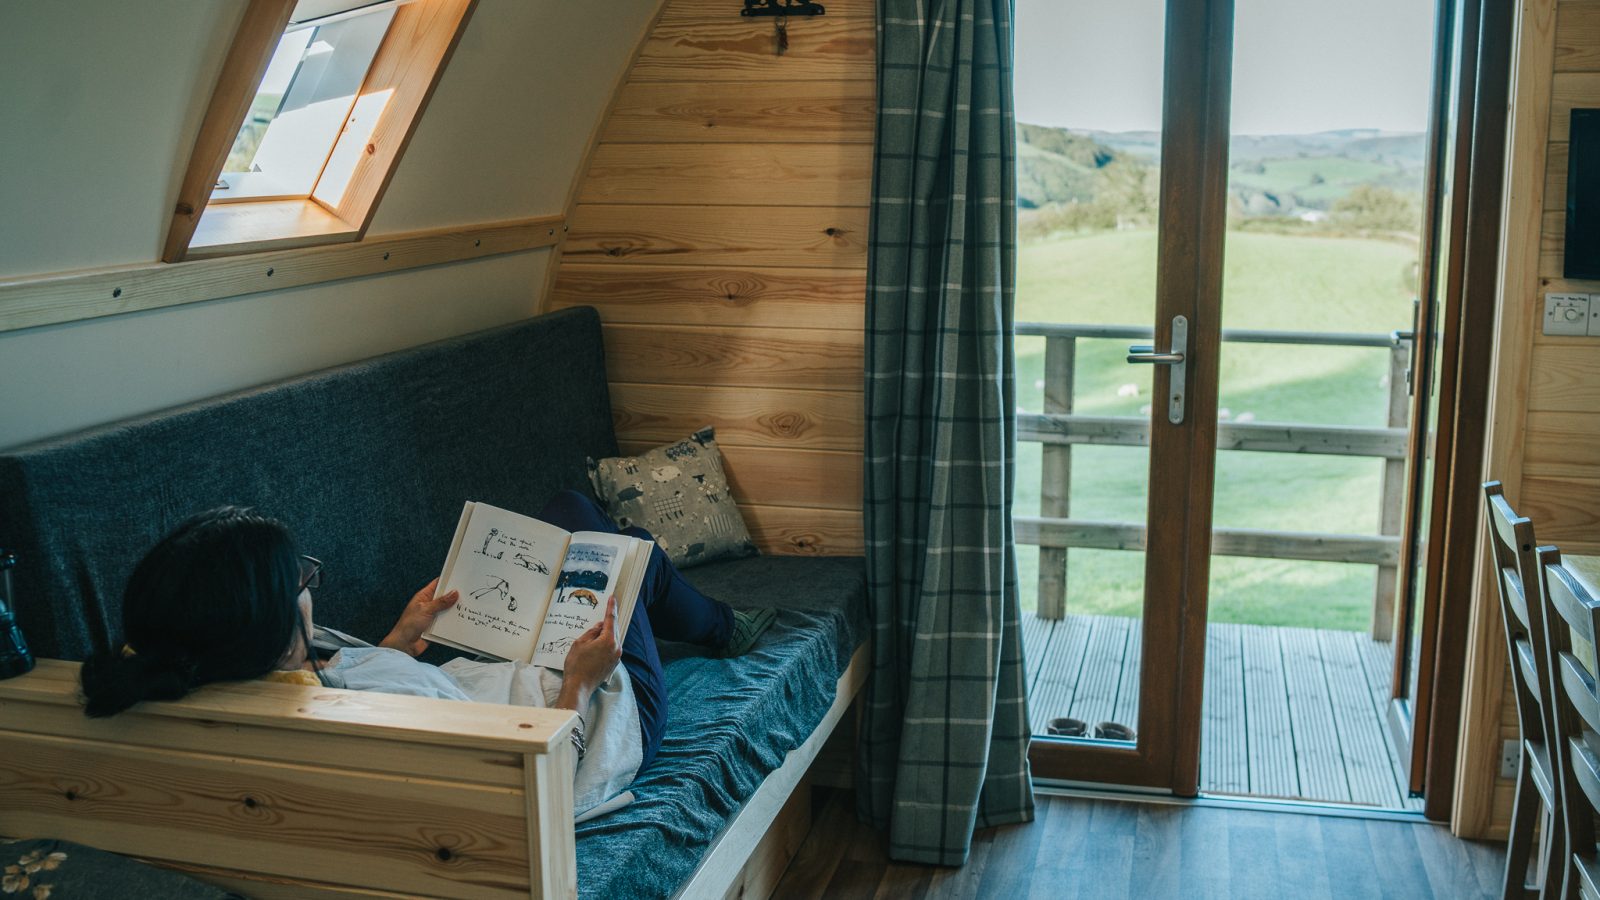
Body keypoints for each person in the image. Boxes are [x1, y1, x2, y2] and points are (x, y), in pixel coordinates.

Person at [79, 490, 776, 819]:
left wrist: (397, 640)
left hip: (498, 685)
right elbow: (540, 793)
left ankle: (709, 619)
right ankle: (722, 630)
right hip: (593, 728)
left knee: (577, 520)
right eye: (305, 581)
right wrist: (580, 687)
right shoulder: (382, 720)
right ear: (273, 621)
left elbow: (362, 690)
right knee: (623, 548)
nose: (311, 589)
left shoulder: (236, 675)